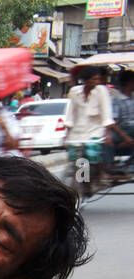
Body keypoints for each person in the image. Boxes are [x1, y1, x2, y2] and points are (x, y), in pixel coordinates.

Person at [64, 65, 115, 196]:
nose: (97, 82)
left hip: (95, 131)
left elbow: (106, 112)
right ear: (85, 80)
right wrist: (67, 132)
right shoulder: (75, 91)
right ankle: (82, 183)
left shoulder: (101, 91)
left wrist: (107, 133)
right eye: (94, 79)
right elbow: (71, 112)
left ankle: (101, 174)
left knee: (93, 155)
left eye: (98, 79)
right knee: (75, 158)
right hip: (77, 132)